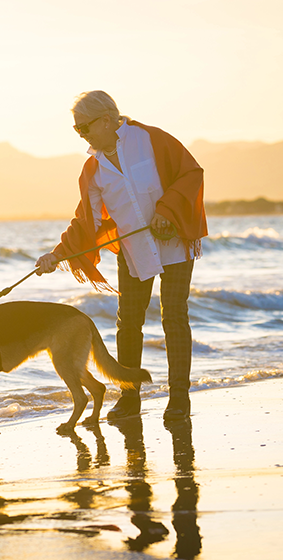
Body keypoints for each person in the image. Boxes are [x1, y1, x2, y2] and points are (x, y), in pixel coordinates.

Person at [36, 91, 207, 421]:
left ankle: (179, 400)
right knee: (128, 323)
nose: (81, 136)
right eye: (77, 130)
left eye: (83, 128)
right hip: (133, 250)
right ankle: (130, 399)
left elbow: (191, 173)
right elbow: (87, 222)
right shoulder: (93, 169)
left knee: (174, 316)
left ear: (105, 121)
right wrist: (55, 256)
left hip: (174, 242)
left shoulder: (151, 140)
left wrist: (167, 212)